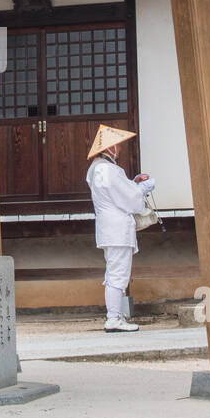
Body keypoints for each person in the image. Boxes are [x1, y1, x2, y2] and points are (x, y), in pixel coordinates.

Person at [85, 124, 155, 333]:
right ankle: (113, 318)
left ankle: (115, 316)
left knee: (114, 273)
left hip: (107, 227)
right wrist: (141, 188)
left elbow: (116, 193)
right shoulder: (111, 170)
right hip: (117, 228)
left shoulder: (95, 169)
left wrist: (132, 183)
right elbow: (129, 200)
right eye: (118, 145)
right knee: (118, 274)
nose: (120, 149)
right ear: (110, 147)